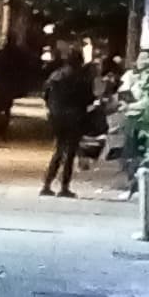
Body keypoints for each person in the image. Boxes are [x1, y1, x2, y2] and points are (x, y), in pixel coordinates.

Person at [40, 50, 98, 197]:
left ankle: (47, 184)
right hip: (74, 117)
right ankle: (64, 187)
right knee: (70, 152)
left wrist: (52, 108)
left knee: (59, 150)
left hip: (56, 117)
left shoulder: (56, 75)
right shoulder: (82, 78)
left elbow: (45, 94)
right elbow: (88, 98)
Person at [0, 33, 42, 140]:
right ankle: (1, 129)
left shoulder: (2, 53)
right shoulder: (18, 53)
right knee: (5, 107)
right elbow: (24, 68)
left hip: (2, 82)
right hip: (10, 84)